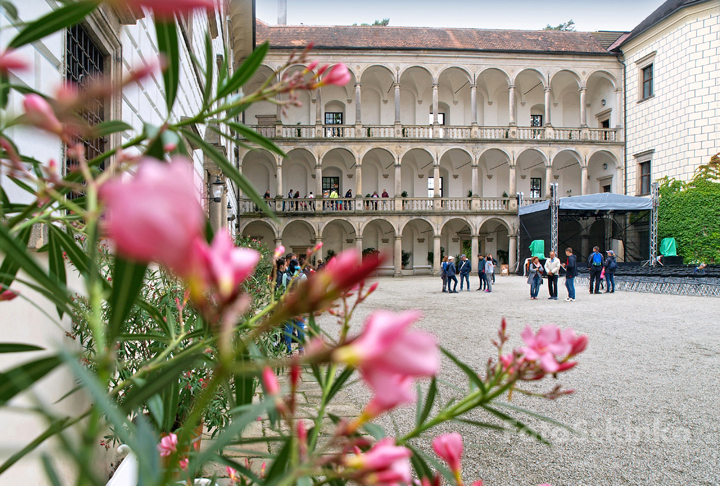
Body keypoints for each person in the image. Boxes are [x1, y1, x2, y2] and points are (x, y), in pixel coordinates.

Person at [282, 259, 307, 354]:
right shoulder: (302, 275)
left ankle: (289, 350)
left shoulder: (285, 275)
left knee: (288, 327)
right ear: (298, 265)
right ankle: (301, 349)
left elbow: (283, 290)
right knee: (300, 326)